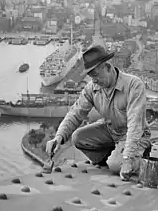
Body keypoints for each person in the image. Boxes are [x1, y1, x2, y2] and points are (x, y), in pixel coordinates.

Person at [46, 45, 152, 181]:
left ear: (107, 67)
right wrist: (58, 137)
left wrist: (128, 158)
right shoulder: (93, 87)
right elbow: (75, 113)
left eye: (95, 75)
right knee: (78, 137)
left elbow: (135, 125)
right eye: (91, 77)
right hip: (111, 131)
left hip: (135, 136)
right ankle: (113, 156)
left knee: (115, 165)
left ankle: (138, 157)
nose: (93, 80)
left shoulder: (133, 85)